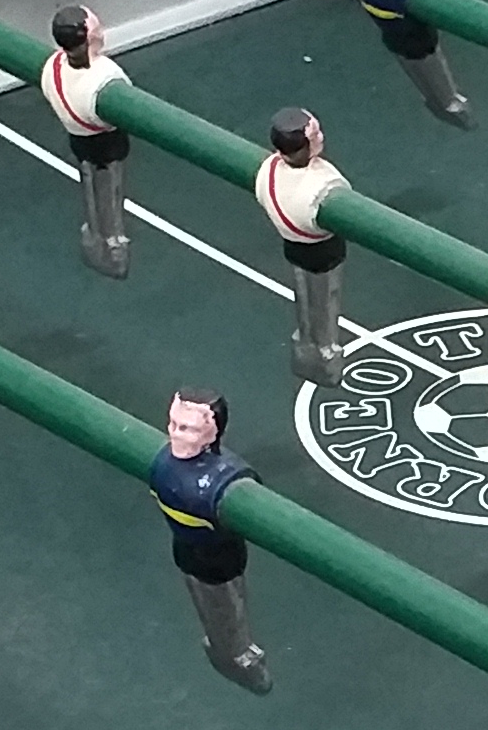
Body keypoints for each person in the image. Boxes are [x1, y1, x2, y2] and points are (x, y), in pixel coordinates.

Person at [148, 390, 269, 692]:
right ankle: (232, 653)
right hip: (196, 555)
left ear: (212, 434)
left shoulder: (223, 478)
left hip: (220, 560)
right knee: (218, 603)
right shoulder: (166, 466)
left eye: (187, 428)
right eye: (173, 424)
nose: (176, 433)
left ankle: (232, 650)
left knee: (225, 599)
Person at [256, 107, 355, 379]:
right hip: (323, 251)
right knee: (325, 297)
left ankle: (311, 348)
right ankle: (324, 353)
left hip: (294, 246)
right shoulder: (323, 184)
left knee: (306, 297)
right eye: (316, 134)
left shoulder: (268, 171)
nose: (321, 136)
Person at [41, 5, 138, 274]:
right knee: (108, 186)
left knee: (91, 180)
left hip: (81, 139)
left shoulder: (53, 68)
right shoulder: (103, 75)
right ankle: (111, 240)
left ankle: (99, 234)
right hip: (105, 142)